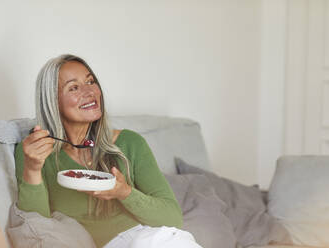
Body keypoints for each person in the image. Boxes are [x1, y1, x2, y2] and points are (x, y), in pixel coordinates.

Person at [15, 54, 202, 248]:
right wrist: (33, 168)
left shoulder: (130, 143)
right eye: (74, 87)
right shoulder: (33, 152)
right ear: (52, 102)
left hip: (148, 239)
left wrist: (125, 193)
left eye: (90, 81)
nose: (89, 92)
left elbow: (172, 218)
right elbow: (37, 228)